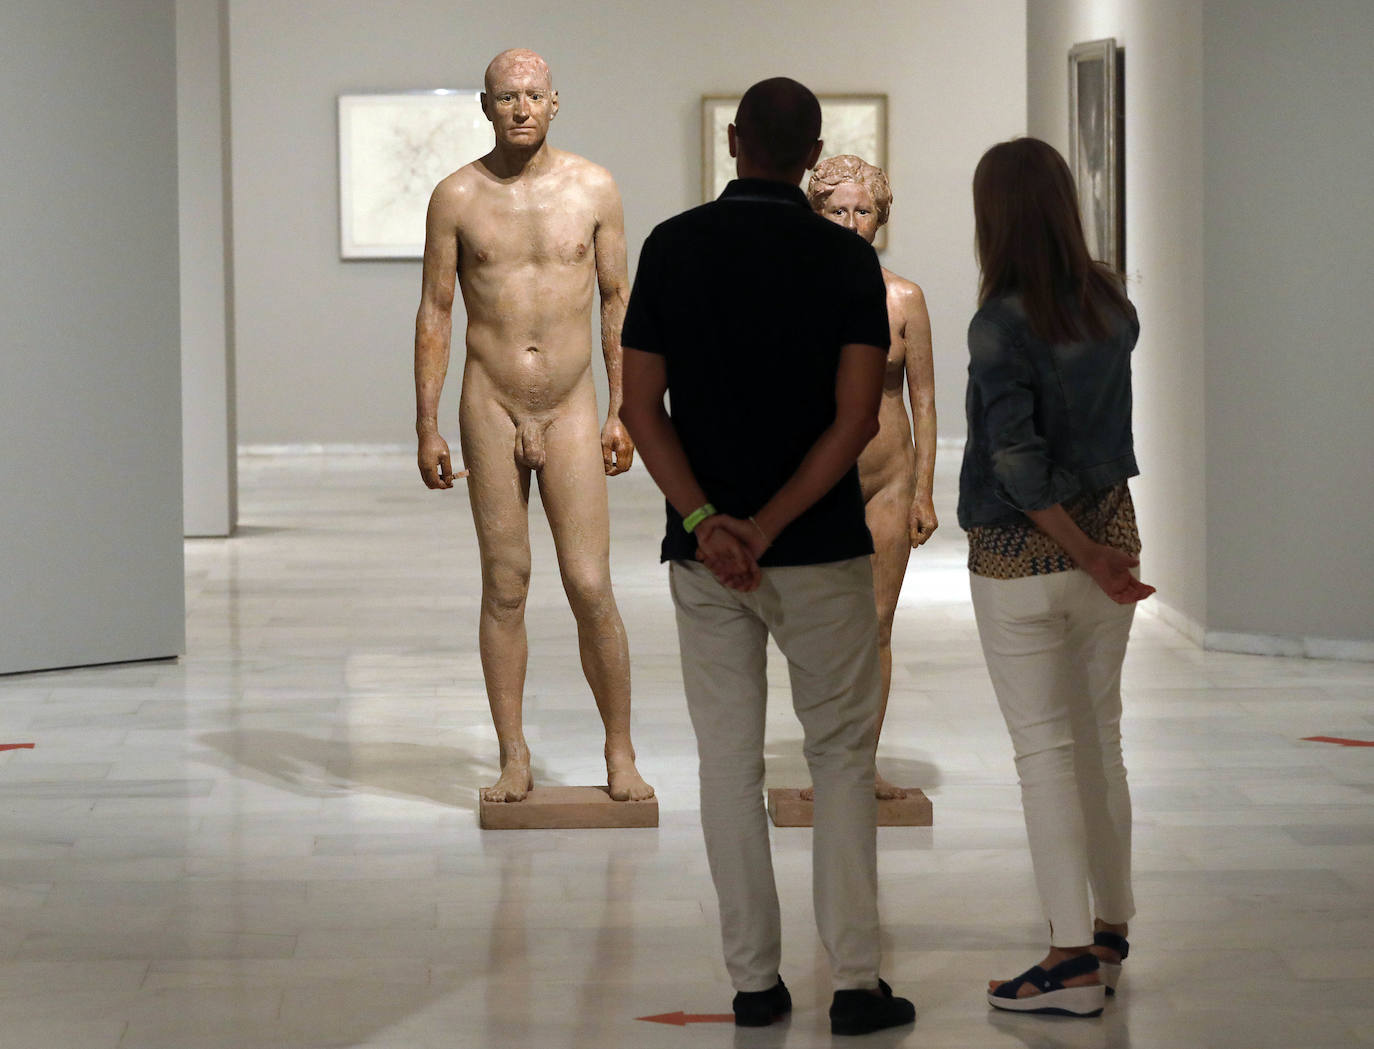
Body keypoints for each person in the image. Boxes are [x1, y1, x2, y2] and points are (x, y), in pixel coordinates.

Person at [619, 77, 915, 1036]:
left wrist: (711, 520)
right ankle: (859, 982)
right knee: (837, 758)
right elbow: (857, 416)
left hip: (707, 559)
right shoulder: (844, 262)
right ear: (811, 150)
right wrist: (775, 523)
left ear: (736, 141)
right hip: (821, 547)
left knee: (726, 765)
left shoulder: (671, 247)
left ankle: (754, 982)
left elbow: (637, 408)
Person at [412, 49, 652, 804]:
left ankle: (620, 748)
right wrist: (426, 423)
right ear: (485, 106)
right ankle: (513, 752)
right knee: (505, 584)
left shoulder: (594, 188)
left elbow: (618, 301)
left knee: (589, 582)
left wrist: (624, 407)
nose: (520, 109)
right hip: (490, 396)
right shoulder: (456, 196)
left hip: (573, 398)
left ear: (556, 102)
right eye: (506, 97)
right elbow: (437, 311)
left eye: (533, 96)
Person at [958, 137, 1154, 1017]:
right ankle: (1110, 925)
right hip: (1111, 537)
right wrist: (1101, 553)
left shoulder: (999, 321)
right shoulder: (1111, 302)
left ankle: (1069, 956)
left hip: (1027, 552)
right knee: (1098, 736)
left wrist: (1078, 550)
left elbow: (1017, 462)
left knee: (1045, 750)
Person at [807, 154, 937, 799]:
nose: (852, 223)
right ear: (816, 215)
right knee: (824, 630)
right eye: (838, 211)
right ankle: (829, 763)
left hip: (889, 478)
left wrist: (924, 490)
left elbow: (925, 402)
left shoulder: (904, 299)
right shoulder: (791, 295)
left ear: (881, 218)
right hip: (819, 483)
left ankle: (862, 763)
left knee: (878, 625)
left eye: (864, 211)